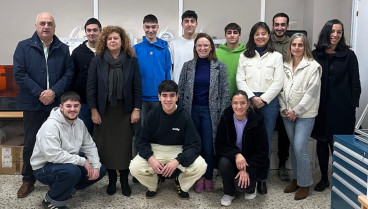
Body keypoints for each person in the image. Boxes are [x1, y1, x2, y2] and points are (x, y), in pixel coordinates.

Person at [13, 12, 74, 198]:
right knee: (31, 141)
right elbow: (20, 74)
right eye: (42, 23)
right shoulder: (24, 47)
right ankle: (28, 179)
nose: (46, 26)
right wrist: (40, 93)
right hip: (33, 103)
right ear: (36, 26)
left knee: (59, 142)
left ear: (54, 28)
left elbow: (69, 73)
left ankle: (56, 178)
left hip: (56, 104)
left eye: (49, 23)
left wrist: (53, 92)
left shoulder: (63, 48)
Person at [87, 25, 142, 196]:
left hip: (125, 111)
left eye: (116, 38)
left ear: (122, 41)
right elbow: (91, 88)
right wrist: (93, 110)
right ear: (105, 41)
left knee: (124, 148)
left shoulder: (131, 61)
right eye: (109, 38)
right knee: (107, 147)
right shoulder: (98, 60)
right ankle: (111, 181)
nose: (112, 41)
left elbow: (137, 87)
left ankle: (124, 181)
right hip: (104, 111)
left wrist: (136, 109)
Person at [129, 80, 207, 200]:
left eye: (172, 95)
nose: (168, 99)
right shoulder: (152, 115)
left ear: (177, 97)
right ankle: (153, 184)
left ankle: (180, 183)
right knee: (134, 167)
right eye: (164, 95)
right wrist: (150, 158)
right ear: (159, 97)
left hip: (177, 150)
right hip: (155, 149)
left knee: (201, 165)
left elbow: (195, 145)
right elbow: (141, 140)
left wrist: (177, 161)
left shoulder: (184, 116)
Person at [31, 91, 106, 209]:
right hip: (43, 167)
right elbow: (53, 156)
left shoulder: (79, 123)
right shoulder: (50, 126)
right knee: (72, 171)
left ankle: (67, 188)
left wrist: (95, 166)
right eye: (68, 106)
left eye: (76, 106)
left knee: (100, 169)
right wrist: (83, 161)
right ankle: (51, 200)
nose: (72, 109)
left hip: (68, 163)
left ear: (80, 107)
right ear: (61, 107)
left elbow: (89, 146)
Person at [312, 19, 361, 192]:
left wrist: (353, 105)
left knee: (338, 144)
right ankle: (324, 179)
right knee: (321, 141)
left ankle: (340, 179)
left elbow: (355, 82)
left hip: (342, 108)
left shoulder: (349, 55)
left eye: (339, 32)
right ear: (326, 32)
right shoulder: (315, 54)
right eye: (332, 31)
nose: (335, 35)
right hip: (320, 108)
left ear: (342, 34)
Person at [236, 22, 284, 195]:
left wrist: (263, 99)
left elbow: (279, 81)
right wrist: (252, 98)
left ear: (268, 36)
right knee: (247, 140)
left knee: (265, 142)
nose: (261, 37)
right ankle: (249, 176)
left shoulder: (276, 56)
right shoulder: (244, 56)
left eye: (264, 33)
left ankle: (262, 180)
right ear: (252, 36)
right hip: (249, 102)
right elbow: (240, 80)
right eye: (257, 34)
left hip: (269, 102)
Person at [178, 32, 229, 193]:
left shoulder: (219, 66)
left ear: (211, 47)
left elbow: (225, 92)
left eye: (206, 45)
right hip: (191, 110)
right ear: (195, 47)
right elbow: (181, 89)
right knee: (195, 145)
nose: (202, 48)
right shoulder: (188, 66)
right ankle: (197, 177)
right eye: (199, 45)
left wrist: (221, 115)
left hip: (210, 111)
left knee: (208, 146)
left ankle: (208, 177)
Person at [279, 33, 322, 200]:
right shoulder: (285, 65)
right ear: (290, 47)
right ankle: (296, 179)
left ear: (305, 47)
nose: (296, 48)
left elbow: (312, 93)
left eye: (300, 45)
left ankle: (305, 184)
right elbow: (280, 90)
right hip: (287, 114)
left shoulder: (313, 66)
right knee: (293, 147)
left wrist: (296, 111)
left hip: (305, 114)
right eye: (294, 45)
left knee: (299, 148)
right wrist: (284, 109)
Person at [216, 90, 269, 206]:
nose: (239, 107)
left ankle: (251, 187)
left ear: (248, 104)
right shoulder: (226, 118)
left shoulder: (257, 121)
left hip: (251, 162)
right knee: (223, 162)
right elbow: (220, 146)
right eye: (235, 103)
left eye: (242, 103)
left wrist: (247, 170)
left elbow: (262, 152)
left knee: (242, 187)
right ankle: (229, 192)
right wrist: (236, 154)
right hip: (233, 159)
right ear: (231, 104)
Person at [134, 14, 171, 125]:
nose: (150, 30)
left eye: (153, 27)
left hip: (159, 97)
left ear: (158, 27)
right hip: (141, 98)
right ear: (143, 27)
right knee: (142, 130)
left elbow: (167, 73)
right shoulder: (136, 49)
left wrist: (167, 95)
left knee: (159, 129)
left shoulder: (164, 49)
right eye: (147, 27)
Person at [71, 18, 102, 136]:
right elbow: (72, 77)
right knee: (83, 137)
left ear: (100, 31)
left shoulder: (106, 52)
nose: (91, 33)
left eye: (95, 30)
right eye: (88, 30)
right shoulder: (77, 53)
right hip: (83, 103)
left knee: (102, 138)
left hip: (104, 103)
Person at [271, 12, 291, 182]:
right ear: (273, 26)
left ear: (287, 26)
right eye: (276, 24)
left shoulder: (293, 43)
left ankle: (283, 164)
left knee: (285, 132)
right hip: (267, 94)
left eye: (282, 24)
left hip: (286, 95)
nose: (279, 27)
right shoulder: (265, 40)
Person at [216, 23, 246, 98]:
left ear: (240, 35)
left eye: (235, 32)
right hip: (221, 96)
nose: (232, 35)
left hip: (242, 96)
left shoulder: (247, 53)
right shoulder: (216, 53)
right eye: (229, 33)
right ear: (225, 35)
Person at [169, 10, 198, 83]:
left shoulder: (201, 44)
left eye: (192, 21)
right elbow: (170, 68)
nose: (189, 24)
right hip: (179, 86)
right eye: (186, 21)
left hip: (197, 87)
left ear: (196, 24)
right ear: (182, 24)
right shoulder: (173, 44)